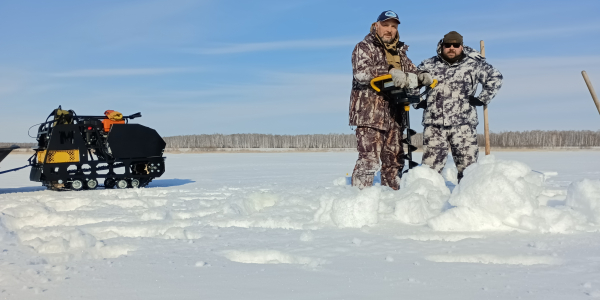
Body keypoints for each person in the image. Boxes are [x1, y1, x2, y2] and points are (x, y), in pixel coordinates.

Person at [349, 10, 433, 190]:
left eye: (393, 26)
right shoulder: (364, 47)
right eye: (386, 25)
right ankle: (358, 202)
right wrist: (390, 73)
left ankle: (392, 201)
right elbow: (361, 73)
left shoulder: (400, 53)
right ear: (376, 26)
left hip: (395, 115)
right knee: (369, 161)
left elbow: (412, 71)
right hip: (370, 114)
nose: (389, 30)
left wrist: (422, 77)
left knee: (395, 161)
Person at [416, 31, 503, 181]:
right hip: (434, 126)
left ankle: (467, 201)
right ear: (442, 46)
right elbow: (412, 82)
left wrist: (483, 98)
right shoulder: (428, 65)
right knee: (429, 172)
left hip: (464, 126)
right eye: (447, 45)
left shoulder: (474, 64)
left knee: (469, 171)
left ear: (461, 46)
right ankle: (429, 201)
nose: (451, 48)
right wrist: (417, 101)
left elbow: (496, 77)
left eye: (455, 45)